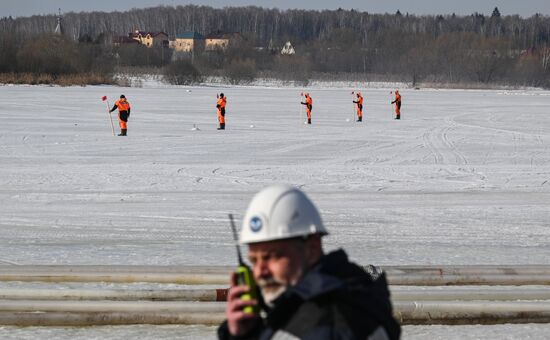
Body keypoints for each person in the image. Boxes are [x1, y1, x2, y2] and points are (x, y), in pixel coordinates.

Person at [218, 185, 401, 340]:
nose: (260, 272)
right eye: (254, 260)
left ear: (312, 247)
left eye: (272, 257)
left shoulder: (333, 320)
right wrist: (246, 334)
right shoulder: (299, 309)